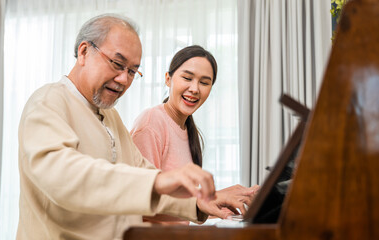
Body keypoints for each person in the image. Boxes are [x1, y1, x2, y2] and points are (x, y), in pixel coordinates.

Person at [17, 14, 253, 240]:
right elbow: (63, 177)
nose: (123, 80)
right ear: (84, 52)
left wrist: (198, 203)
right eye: (117, 64)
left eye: (132, 71)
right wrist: (158, 182)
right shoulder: (48, 102)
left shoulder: (111, 118)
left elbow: (146, 177)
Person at [131, 45, 259, 224]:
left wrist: (230, 201)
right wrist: (212, 199)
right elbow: (141, 198)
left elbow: (184, 209)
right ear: (168, 79)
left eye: (204, 82)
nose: (194, 89)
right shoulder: (152, 122)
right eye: (187, 78)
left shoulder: (187, 129)